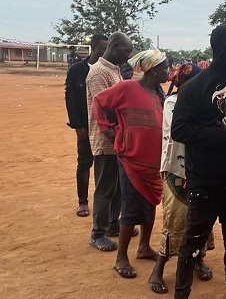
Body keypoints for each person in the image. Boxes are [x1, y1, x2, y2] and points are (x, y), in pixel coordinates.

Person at [171, 24, 226, 299]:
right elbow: (179, 130)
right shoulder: (195, 87)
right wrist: (222, 134)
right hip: (205, 183)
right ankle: (181, 293)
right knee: (191, 244)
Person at [93, 49, 169, 279]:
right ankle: (121, 258)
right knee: (131, 208)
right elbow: (99, 101)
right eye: (165, 67)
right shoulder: (127, 88)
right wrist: (107, 129)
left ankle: (144, 247)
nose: (168, 71)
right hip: (131, 161)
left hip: (153, 163)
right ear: (154, 70)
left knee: (150, 204)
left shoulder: (159, 94)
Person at [148, 63, 214, 294]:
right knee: (175, 219)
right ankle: (159, 268)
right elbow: (185, 133)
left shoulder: (202, 102)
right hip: (177, 170)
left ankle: (197, 259)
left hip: (200, 170)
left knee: (202, 217)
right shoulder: (172, 103)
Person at [86, 32, 133, 251]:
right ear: (113, 47)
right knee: (105, 188)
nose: (128, 55)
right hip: (106, 140)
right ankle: (98, 233)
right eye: (126, 50)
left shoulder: (114, 71)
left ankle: (114, 223)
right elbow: (103, 108)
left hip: (119, 139)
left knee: (118, 188)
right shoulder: (98, 73)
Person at [65, 33, 108, 217]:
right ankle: (82, 202)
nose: (105, 52)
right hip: (85, 126)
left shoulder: (111, 70)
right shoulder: (77, 70)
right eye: (103, 48)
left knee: (104, 166)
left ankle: (103, 204)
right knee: (84, 163)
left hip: (105, 128)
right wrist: (78, 127)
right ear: (95, 47)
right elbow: (71, 99)